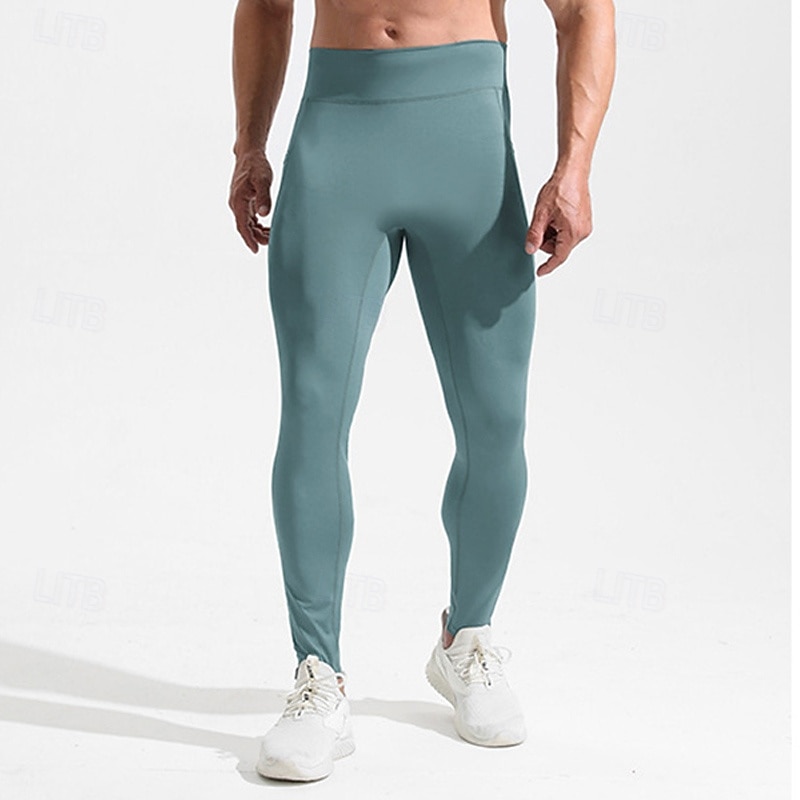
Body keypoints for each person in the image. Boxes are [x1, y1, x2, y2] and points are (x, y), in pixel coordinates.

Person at [229, 0, 615, 782]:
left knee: (496, 421)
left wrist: (573, 169)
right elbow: (266, 6)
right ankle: (318, 674)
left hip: (466, 144)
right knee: (311, 413)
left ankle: (467, 639)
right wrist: (249, 144)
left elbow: (583, 11)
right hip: (338, 137)